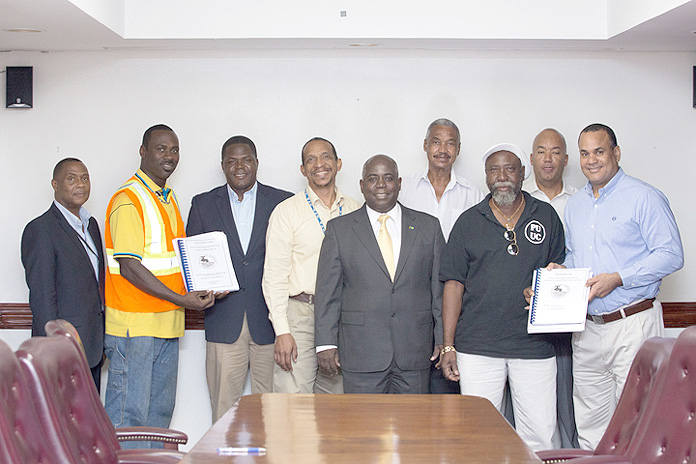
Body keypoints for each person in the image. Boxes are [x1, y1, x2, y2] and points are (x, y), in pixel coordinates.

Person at [557, 123, 683, 450]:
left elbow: (671, 255)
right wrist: (561, 274)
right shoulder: (576, 205)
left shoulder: (645, 197)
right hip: (587, 329)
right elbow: (576, 258)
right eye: (585, 153)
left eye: (599, 151)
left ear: (616, 152)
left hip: (633, 322)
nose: (591, 160)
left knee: (639, 420)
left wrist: (619, 277)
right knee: (590, 424)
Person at [440, 143, 565, 451]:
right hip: (477, 347)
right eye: (494, 170)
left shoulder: (546, 216)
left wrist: (549, 284)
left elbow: (562, 270)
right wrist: (448, 344)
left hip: (534, 345)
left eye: (510, 168)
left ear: (523, 173)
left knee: (539, 435)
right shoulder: (468, 222)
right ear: (486, 176)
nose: (502, 176)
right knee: (479, 436)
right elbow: (453, 285)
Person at [103, 124, 214, 444]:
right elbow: (130, 267)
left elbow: (175, 260)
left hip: (166, 324)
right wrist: (184, 301)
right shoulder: (129, 199)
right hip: (134, 326)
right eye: (161, 148)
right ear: (143, 151)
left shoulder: (167, 197)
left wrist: (207, 285)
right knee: (130, 417)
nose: (169, 156)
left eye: (174, 149)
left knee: (158, 416)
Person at [314, 155, 445, 394]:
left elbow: (439, 291)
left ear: (400, 183)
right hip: (361, 352)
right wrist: (325, 343)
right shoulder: (340, 230)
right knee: (363, 427)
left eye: (388, 178)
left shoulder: (429, 227)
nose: (381, 185)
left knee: (414, 427)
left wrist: (444, 339)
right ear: (362, 185)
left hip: (415, 351)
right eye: (373, 179)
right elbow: (327, 292)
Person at [186, 135, 292, 421]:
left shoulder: (283, 202)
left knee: (274, 413)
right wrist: (205, 286)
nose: (239, 166)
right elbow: (195, 262)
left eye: (246, 159)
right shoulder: (203, 204)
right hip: (224, 320)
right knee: (223, 413)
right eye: (231, 161)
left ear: (257, 163)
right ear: (222, 166)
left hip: (270, 323)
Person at [262, 137, 362, 393]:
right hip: (300, 316)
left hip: (342, 318)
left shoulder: (356, 210)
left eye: (326, 157)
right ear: (303, 170)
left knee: (337, 408)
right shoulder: (287, 212)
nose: (320, 164)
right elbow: (274, 277)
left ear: (338, 163)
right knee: (292, 406)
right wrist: (282, 331)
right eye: (311, 160)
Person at [399, 118, 484, 394]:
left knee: (451, 383)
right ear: (425, 145)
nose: (442, 149)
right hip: (412, 294)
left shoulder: (474, 194)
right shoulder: (405, 189)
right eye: (436, 141)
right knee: (413, 378)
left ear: (459, 149)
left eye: (450, 143)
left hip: (459, 295)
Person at [21, 158, 105, 391]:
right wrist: (54, 348)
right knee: (61, 423)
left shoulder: (91, 225)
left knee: (87, 424)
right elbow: (42, 298)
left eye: (85, 178)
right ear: (55, 184)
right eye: (71, 178)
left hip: (92, 347)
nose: (80, 184)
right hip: (60, 352)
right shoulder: (41, 230)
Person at [529, 128, 579, 448]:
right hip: (526, 316)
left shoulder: (582, 201)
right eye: (541, 151)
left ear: (565, 159)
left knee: (572, 397)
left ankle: (573, 452)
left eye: (556, 151)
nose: (548, 159)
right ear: (530, 159)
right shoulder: (513, 200)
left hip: (573, 317)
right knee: (531, 405)